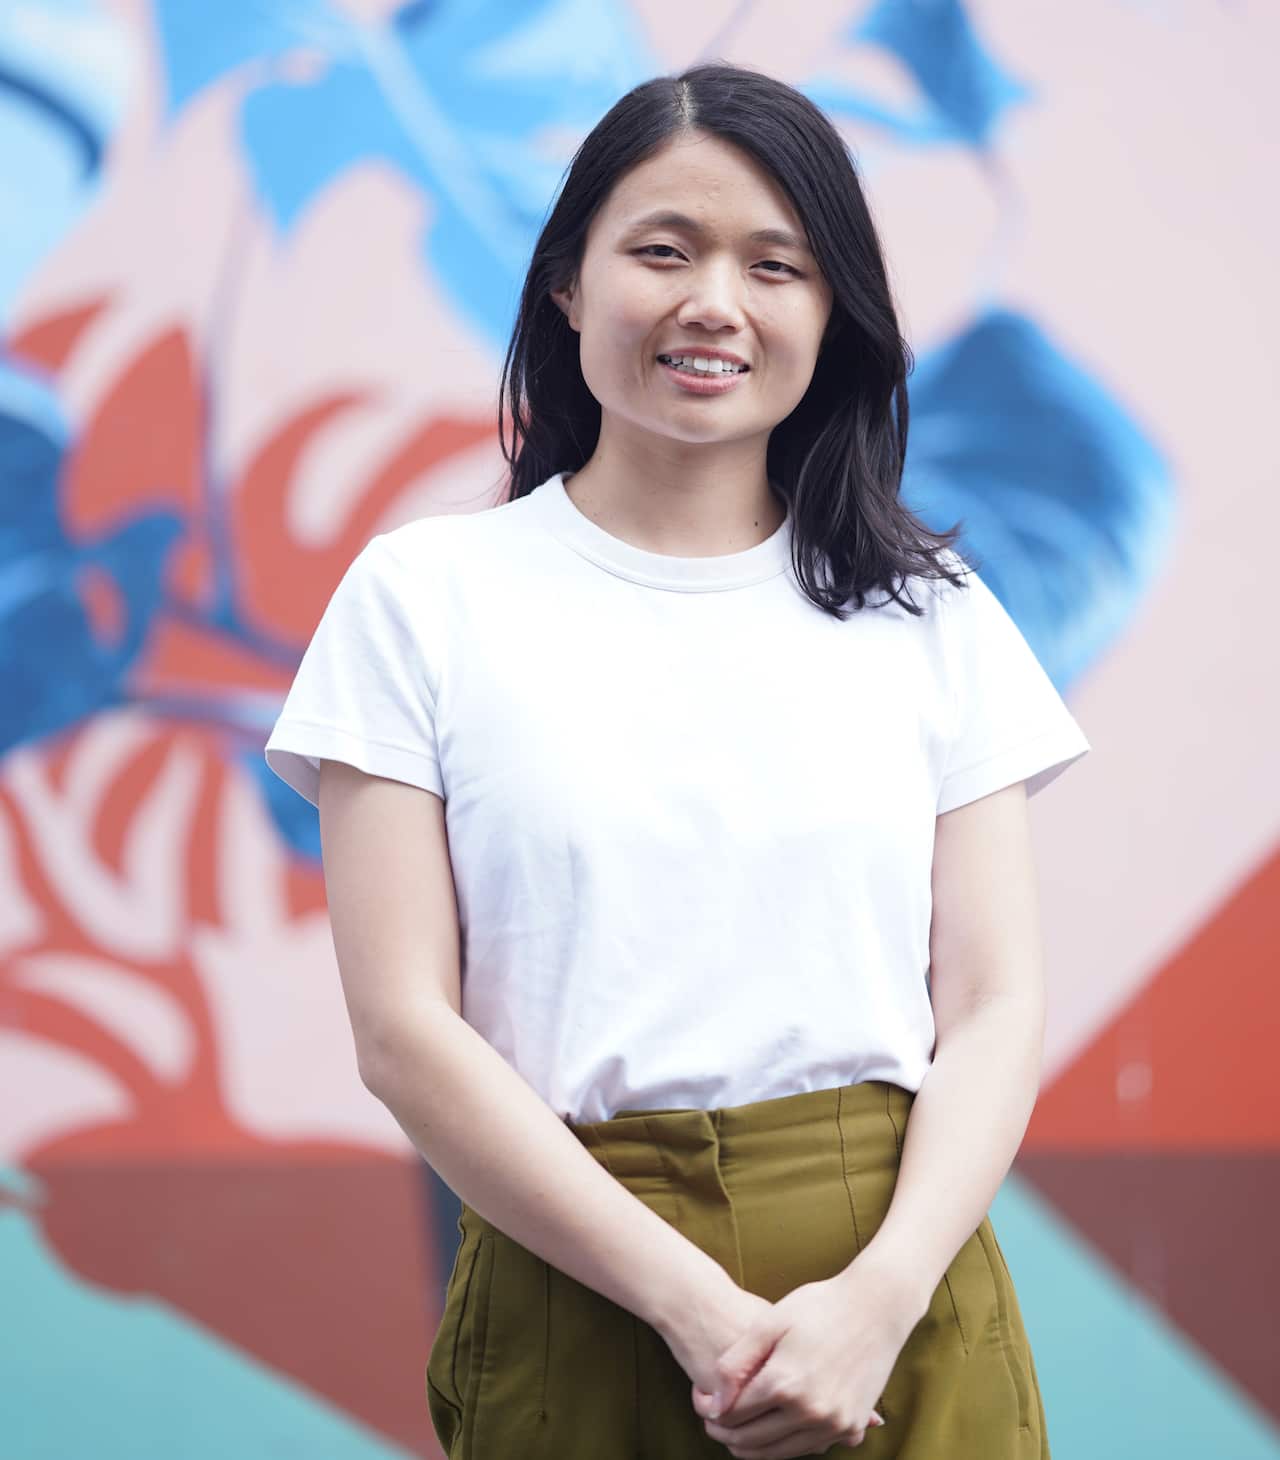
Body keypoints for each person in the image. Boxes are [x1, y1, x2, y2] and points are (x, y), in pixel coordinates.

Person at [264, 61, 1089, 1460]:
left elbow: (997, 1007)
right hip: (576, 1292)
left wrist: (878, 1303)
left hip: (893, 1303)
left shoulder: (932, 612)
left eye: (779, 265)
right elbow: (406, 1033)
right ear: (568, 288)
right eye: (663, 249)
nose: (717, 301)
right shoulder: (422, 599)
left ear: (831, 319)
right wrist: (695, 1309)